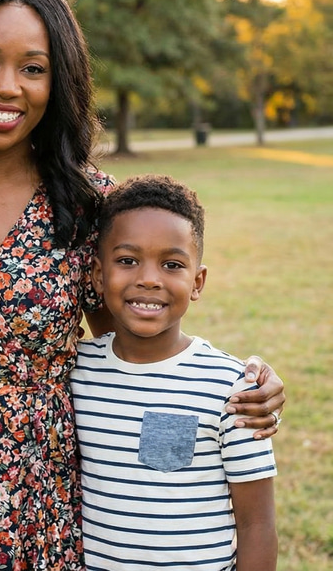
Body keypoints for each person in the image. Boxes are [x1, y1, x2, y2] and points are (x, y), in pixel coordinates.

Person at [0, 0, 285, 571]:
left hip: (47, 494)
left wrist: (246, 384)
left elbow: (136, 335)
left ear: (59, 83)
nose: (7, 87)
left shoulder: (88, 204)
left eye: (33, 68)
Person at [71, 174, 278, 570]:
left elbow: (257, 523)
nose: (149, 279)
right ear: (98, 275)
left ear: (197, 282)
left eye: (171, 264)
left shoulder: (233, 388)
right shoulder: (76, 373)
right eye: (127, 261)